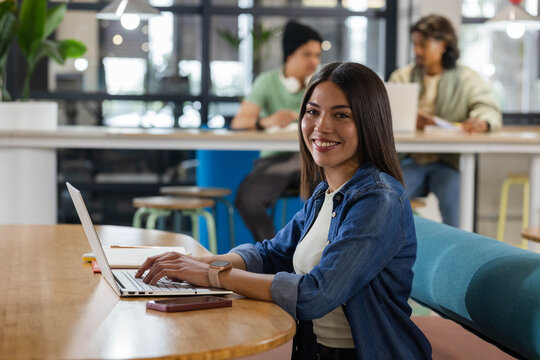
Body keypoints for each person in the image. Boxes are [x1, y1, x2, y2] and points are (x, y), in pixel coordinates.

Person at [137, 62, 432, 360]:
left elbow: (316, 294)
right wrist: (198, 264)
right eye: (313, 112)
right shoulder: (325, 194)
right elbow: (271, 254)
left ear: (370, 122)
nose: (321, 127)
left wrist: (214, 275)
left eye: (341, 115)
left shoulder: (378, 200)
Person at [389, 14, 502, 227]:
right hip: (408, 161)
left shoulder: (466, 78)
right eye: (414, 44)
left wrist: (483, 122)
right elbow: (382, 112)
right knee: (387, 198)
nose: (417, 51)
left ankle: (461, 253)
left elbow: (488, 107)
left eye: (422, 44)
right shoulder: (401, 77)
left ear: (443, 44)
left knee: (455, 202)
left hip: (447, 163)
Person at [231, 20, 322, 243]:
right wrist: (266, 121)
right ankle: (273, 250)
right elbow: (239, 122)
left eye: (317, 55)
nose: (314, 61)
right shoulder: (267, 82)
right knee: (247, 201)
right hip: (274, 162)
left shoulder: (321, 86)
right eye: (307, 54)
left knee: (330, 196)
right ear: (290, 54)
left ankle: (313, 254)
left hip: (312, 158)